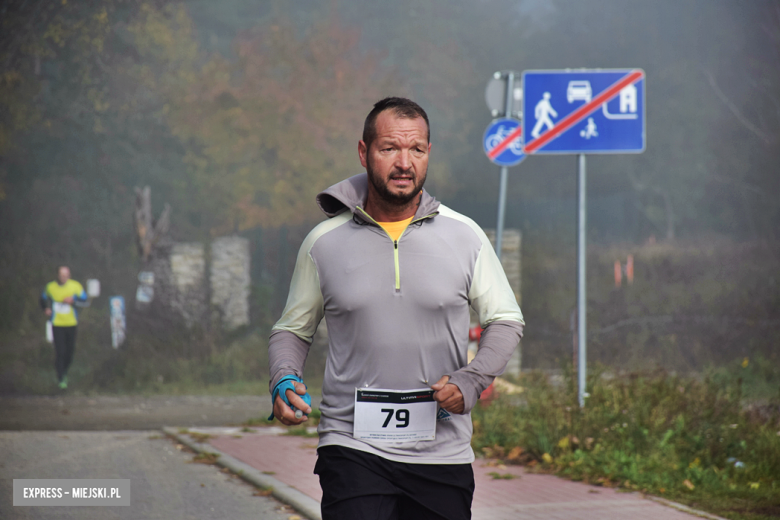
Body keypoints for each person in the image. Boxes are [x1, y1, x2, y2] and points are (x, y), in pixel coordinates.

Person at [268, 97, 524, 520]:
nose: (404, 162)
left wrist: (472, 380)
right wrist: (284, 379)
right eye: (390, 149)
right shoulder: (323, 242)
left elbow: (505, 319)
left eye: (416, 150)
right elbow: (292, 330)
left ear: (428, 154)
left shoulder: (465, 236)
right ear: (364, 152)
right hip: (351, 446)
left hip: (442, 453)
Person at [40, 266, 88, 389]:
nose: (63, 277)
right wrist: (46, 308)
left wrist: (73, 301)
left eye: (65, 275)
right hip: (57, 324)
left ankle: (64, 372)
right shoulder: (50, 287)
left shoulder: (76, 286)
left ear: (69, 275)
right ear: (57, 275)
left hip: (72, 323)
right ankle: (61, 378)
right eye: (61, 275)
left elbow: (85, 302)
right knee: (60, 351)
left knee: (70, 352)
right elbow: (43, 299)